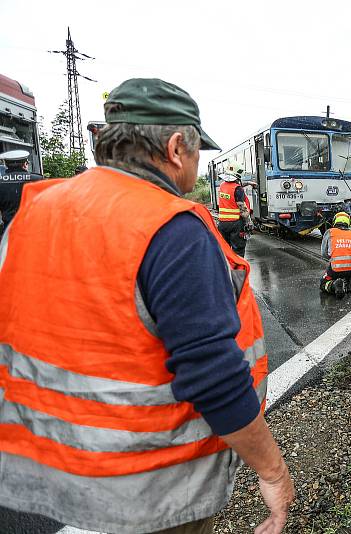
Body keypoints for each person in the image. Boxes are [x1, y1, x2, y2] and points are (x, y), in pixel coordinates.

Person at [0, 78, 294, 534]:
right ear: (177, 148)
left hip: (46, 471)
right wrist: (273, 472)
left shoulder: (35, 211)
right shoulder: (171, 229)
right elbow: (214, 377)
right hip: (148, 490)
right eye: (198, 152)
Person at [217, 160, 254, 257]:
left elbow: (234, 185)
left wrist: (249, 183)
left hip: (222, 224)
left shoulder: (222, 186)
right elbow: (242, 208)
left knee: (224, 250)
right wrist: (248, 222)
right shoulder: (238, 189)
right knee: (238, 250)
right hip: (235, 224)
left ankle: (226, 270)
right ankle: (238, 271)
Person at [0, 149, 44, 232]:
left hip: (9, 230)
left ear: (6, 165)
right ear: (25, 164)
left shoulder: (1, 181)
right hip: (33, 229)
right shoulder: (37, 179)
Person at [320, 211, 351, 298]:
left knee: (323, 283)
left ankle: (334, 286)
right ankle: (348, 282)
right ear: (348, 222)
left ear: (335, 221)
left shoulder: (330, 232)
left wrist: (333, 257)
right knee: (349, 267)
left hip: (336, 269)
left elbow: (324, 254)